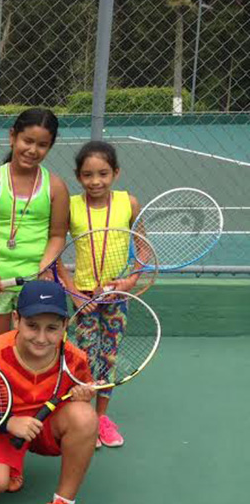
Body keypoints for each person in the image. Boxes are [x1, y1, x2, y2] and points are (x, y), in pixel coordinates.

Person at [0, 280, 98, 504]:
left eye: (52, 328)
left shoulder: (75, 359)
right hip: (3, 429)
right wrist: (8, 423)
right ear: (16, 319)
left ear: (65, 326)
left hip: (45, 428)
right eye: (32, 325)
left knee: (84, 416)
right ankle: (10, 465)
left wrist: (83, 397)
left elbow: (77, 411)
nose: (41, 337)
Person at [66, 141, 141, 448]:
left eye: (103, 174)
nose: (95, 181)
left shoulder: (128, 203)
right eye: (87, 175)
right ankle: (83, 416)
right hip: (83, 298)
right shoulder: (70, 206)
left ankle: (101, 418)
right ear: (78, 176)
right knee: (84, 356)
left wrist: (131, 279)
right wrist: (74, 293)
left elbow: (143, 247)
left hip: (116, 297)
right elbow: (56, 254)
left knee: (107, 356)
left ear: (115, 173)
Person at [0, 107, 70, 341]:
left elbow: (57, 236)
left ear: (50, 147)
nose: (33, 150)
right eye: (27, 141)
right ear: (12, 136)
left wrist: (43, 268)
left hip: (36, 283)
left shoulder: (55, 187)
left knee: (36, 349)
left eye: (42, 145)